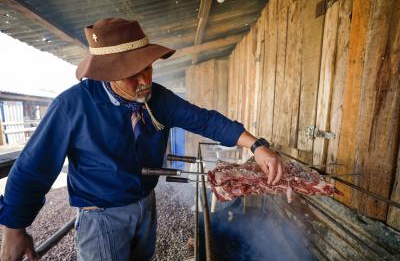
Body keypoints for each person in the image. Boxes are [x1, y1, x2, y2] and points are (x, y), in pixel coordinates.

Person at [0, 18, 284, 261]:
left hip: (146, 203)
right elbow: (33, 168)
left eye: (147, 68)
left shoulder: (158, 98)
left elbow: (205, 120)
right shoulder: (72, 106)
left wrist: (256, 146)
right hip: (102, 217)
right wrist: (15, 228)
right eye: (131, 76)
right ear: (106, 74)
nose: (144, 82)